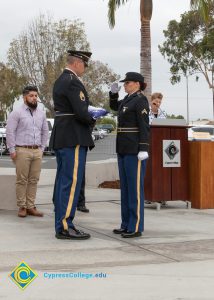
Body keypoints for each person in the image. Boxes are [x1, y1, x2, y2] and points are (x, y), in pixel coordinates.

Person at [50, 50, 96, 240]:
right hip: (73, 136)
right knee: (71, 183)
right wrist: (94, 117)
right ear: (77, 63)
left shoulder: (60, 80)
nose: (84, 68)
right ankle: (65, 226)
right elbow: (82, 111)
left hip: (63, 135)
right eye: (84, 64)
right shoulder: (73, 81)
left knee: (63, 181)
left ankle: (62, 222)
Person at [109, 72, 150, 238]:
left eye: (128, 83)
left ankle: (136, 226)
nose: (125, 85)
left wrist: (144, 148)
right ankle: (126, 224)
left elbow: (144, 125)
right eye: (124, 83)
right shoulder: (127, 99)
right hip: (124, 148)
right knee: (125, 188)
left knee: (135, 190)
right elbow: (114, 107)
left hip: (134, 150)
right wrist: (113, 93)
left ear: (137, 84)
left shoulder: (140, 100)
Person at [6, 85, 49, 218]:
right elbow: (10, 132)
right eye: (31, 96)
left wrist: (42, 148)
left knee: (34, 180)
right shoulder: (17, 113)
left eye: (36, 96)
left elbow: (45, 132)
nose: (34, 98)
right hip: (22, 150)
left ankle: (31, 206)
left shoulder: (41, 113)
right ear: (25, 97)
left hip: (37, 151)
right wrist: (12, 150)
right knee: (22, 180)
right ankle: (22, 206)